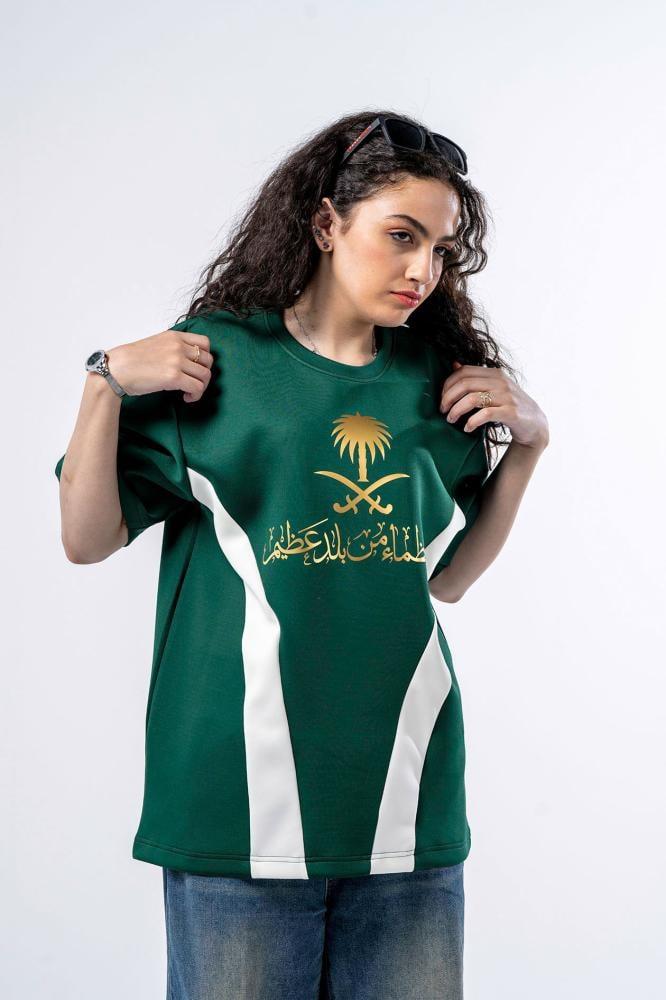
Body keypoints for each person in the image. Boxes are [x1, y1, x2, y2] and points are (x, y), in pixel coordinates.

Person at [54, 109, 549, 1000]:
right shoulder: (217, 359)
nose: (422, 270)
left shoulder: (436, 384)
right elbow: (87, 539)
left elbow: (448, 580)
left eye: (440, 249)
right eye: (401, 235)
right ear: (326, 224)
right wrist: (105, 383)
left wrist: (529, 451)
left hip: (406, 807)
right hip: (237, 817)